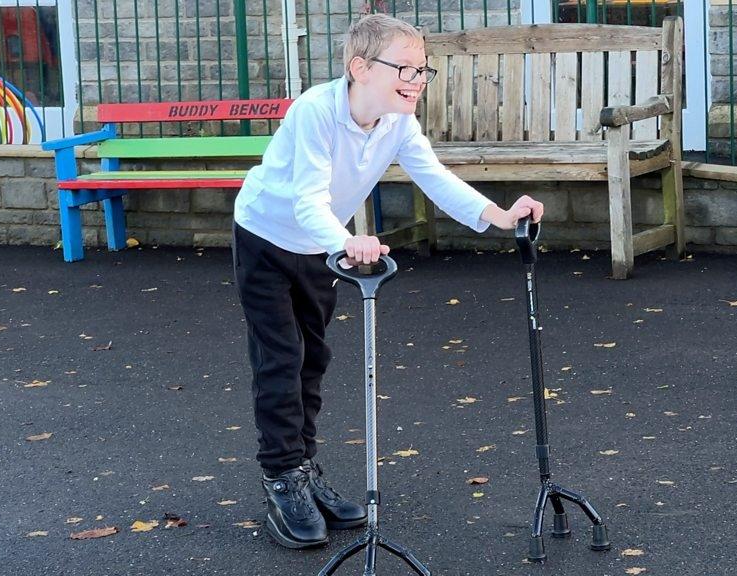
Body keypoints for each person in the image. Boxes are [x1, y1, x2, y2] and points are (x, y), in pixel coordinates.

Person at [231, 13, 544, 550]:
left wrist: (498, 215)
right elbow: (307, 200)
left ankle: (305, 469)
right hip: (266, 239)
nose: (417, 80)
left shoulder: (399, 123)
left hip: (320, 246)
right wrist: (346, 243)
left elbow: (435, 178)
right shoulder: (316, 112)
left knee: (313, 359)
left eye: (423, 70)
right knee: (280, 357)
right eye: (405, 67)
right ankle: (281, 478)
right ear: (359, 67)